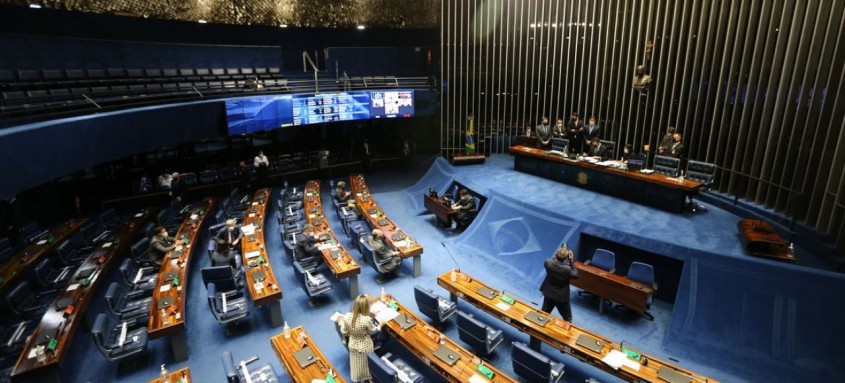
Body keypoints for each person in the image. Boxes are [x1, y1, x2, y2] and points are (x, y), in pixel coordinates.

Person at [335, 295, 386, 383]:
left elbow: (344, 331)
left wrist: (340, 323)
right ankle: (368, 380)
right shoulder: (366, 320)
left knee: (356, 365)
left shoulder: (347, 316)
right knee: (366, 364)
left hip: (353, 344)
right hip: (365, 346)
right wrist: (380, 325)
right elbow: (373, 332)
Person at [539, 245, 579, 322]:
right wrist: (571, 261)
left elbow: (554, 261)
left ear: (556, 254)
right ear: (566, 257)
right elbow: (576, 275)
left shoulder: (547, 263)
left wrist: (559, 253)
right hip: (561, 298)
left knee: (543, 315)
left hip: (549, 294)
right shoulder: (567, 269)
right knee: (567, 318)